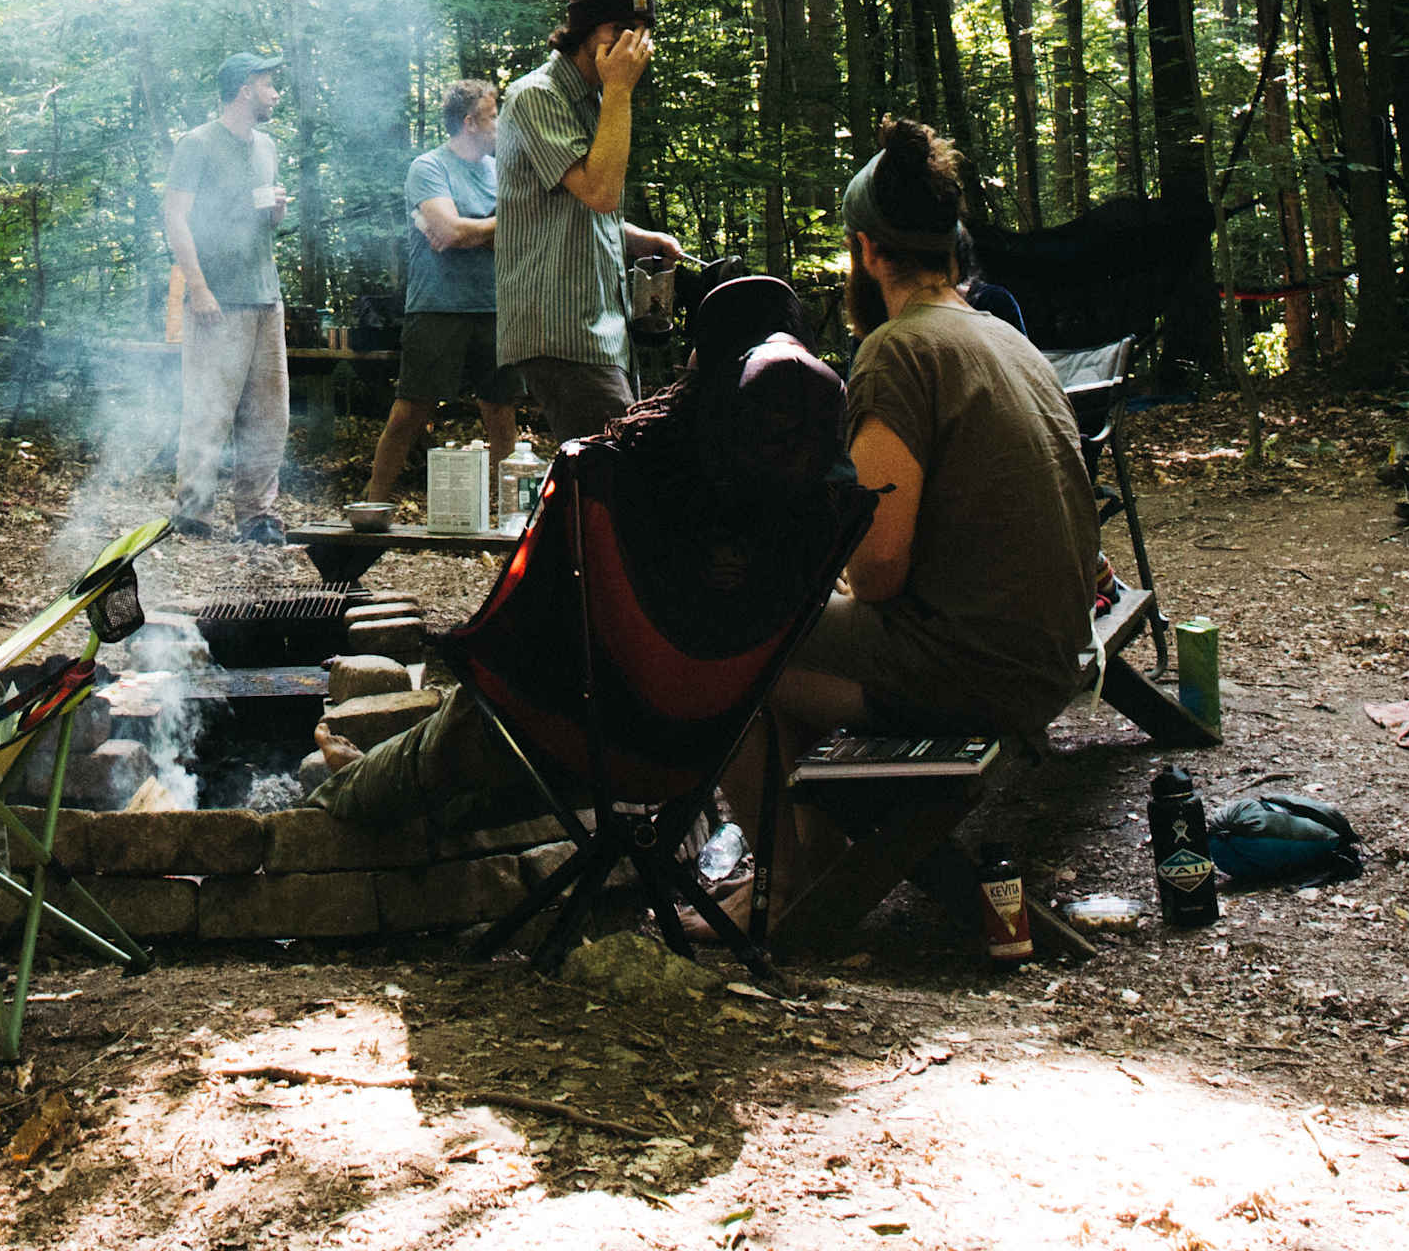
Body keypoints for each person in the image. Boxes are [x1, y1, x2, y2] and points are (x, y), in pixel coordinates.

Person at [312, 274, 854, 831]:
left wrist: (479, 657)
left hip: (575, 720)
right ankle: (374, 790)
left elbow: (533, 621)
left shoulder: (623, 471)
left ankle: (343, 789)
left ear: (702, 365)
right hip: (702, 744)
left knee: (465, 741)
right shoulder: (821, 507)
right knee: (502, 774)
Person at [786, 117, 1101, 745]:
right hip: (1052, 651)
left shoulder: (897, 350)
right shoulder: (1004, 336)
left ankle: (801, 847)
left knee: (743, 642)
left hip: (981, 672)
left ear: (867, 249)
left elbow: (877, 574)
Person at [493, 0, 685, 443]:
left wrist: (639, 239)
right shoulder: (536, 96)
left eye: (643, 31)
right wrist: (621, 93)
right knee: (620, 472)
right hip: (562, 332)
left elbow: (575, 212)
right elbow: (600, 192)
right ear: (584, 29)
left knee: (604, 481)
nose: (634, 45)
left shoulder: (597, 98)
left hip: (600, 330)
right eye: (621, 28)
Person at [366, 78, 517, 505]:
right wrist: (479, 229)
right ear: (469, 122)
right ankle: (371, 507)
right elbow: (449, 231)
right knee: (411, 410)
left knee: (501, 410)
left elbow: (519, 230)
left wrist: (472, 231)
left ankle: (514, 518)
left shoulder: (499, 170)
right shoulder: (429, 168)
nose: (500, 124)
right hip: (438, 307)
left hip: (494, 305)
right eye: (492, 116)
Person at [161, 50, 292, 540]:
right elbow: (175, 217)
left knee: (268, 413)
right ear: (244, 89)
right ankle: (194, 512)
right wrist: (198, 288)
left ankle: (257, 514)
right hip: (216, 297)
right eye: (267, 84)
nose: (274, 93)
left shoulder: (267, 146)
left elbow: (263, 220)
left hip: (264, 295)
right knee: (208, 409)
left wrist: (275, 211)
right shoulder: (196, 144)